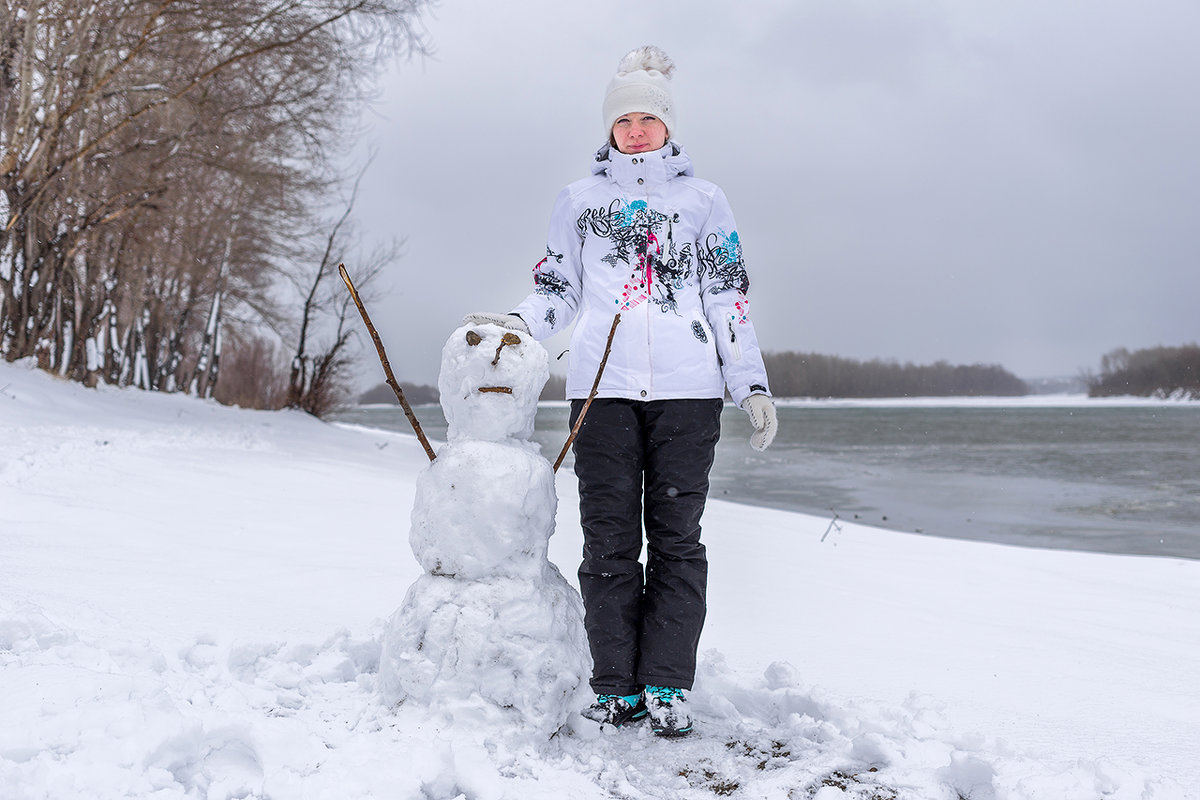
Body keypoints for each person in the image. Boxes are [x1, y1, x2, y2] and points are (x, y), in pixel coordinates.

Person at [464, 45, 776, 738]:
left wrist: (748, 381)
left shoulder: (703, 201)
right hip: (600, 393)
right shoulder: (579, 201)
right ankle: (616, 686)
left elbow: (728, 293)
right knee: (607, 541)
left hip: (688, 392)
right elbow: (558, 287)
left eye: (648, 118)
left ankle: (666, 684)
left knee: (676, 541)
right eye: (623, 119)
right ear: (609, 128)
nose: (635, 130)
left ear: (669, 125)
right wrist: (520, 325)